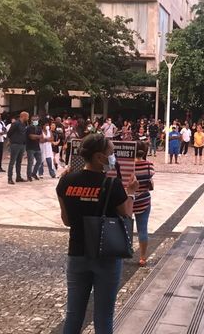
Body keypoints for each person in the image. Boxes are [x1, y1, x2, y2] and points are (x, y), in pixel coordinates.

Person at [56, 134, 138, 334]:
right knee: (103, 317)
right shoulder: (112, 185)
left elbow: (67, 221)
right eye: (111, 153)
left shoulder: (65, 182)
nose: (113, 157)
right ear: (99, 157)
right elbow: (126, 214)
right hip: (106, 255)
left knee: (74, 316)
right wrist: (132, 192)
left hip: (77, 252)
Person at [131, 141, 155, 267]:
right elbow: (150, 179)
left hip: (128, 201)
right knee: (142, 229)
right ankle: (142, 257)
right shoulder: (148, 166)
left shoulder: (128, 166)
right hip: (144, 200)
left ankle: (123, 251)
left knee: (124, 227)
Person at [6, 112, 29, 185]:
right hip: (15, 144)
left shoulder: (24, 124)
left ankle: (18, 177)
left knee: (19, 162)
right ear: (23, 116)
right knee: (12, 162)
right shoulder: (16, 123)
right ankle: (10, 178)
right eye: (27, 116)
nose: (28, 118)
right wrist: (11, 140)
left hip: (22, 144)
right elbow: (9, 133)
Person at [26, 115, 44, 181]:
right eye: (34, 120)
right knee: (30, 162)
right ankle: (29, 176)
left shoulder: (39, 128)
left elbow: (41, 137)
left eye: (37, 119)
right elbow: (31, 136)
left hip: (37, 147)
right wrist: (38, 136)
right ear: (31, 120)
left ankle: (34, 173)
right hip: (30, 147)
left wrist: (36, 136)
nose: (36, 121)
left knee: (39, 161)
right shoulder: (29, 128)